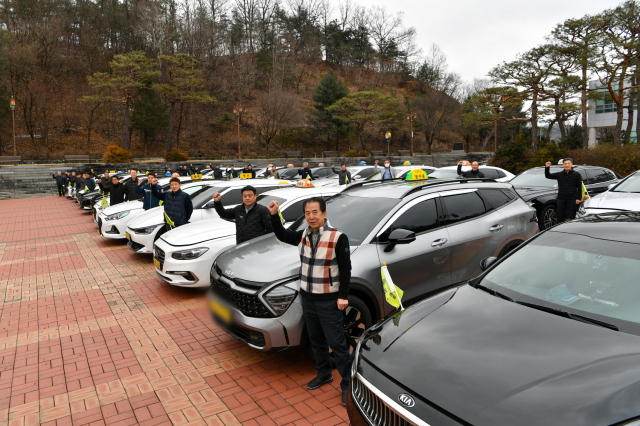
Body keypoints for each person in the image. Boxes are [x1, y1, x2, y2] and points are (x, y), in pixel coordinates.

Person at [267, 197, 351, 406]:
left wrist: (343, 296)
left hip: (329, 301)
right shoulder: (304, 235)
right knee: (316, 341)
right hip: (308, 298)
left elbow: (346, 269)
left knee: (337, 344)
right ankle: (324, 373)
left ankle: (348, 386)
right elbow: (282, 234)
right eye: (307, 213)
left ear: (323, 213)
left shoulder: (338, 237)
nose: (311, 217)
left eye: (315, 212)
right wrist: (275, 215)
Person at [545, 159, 585, 223]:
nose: (567, 165)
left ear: (571, 164)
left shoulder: (576, 174)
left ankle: (572, 229)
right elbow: (548, 176)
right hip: (561, 198)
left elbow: (579, 187)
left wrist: (578, 198)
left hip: (572, 198)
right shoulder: (560, 174)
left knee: (572, 216)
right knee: (561, 216)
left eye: (568, 163)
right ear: (563, 165)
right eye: (565, 164)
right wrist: (547, 167)